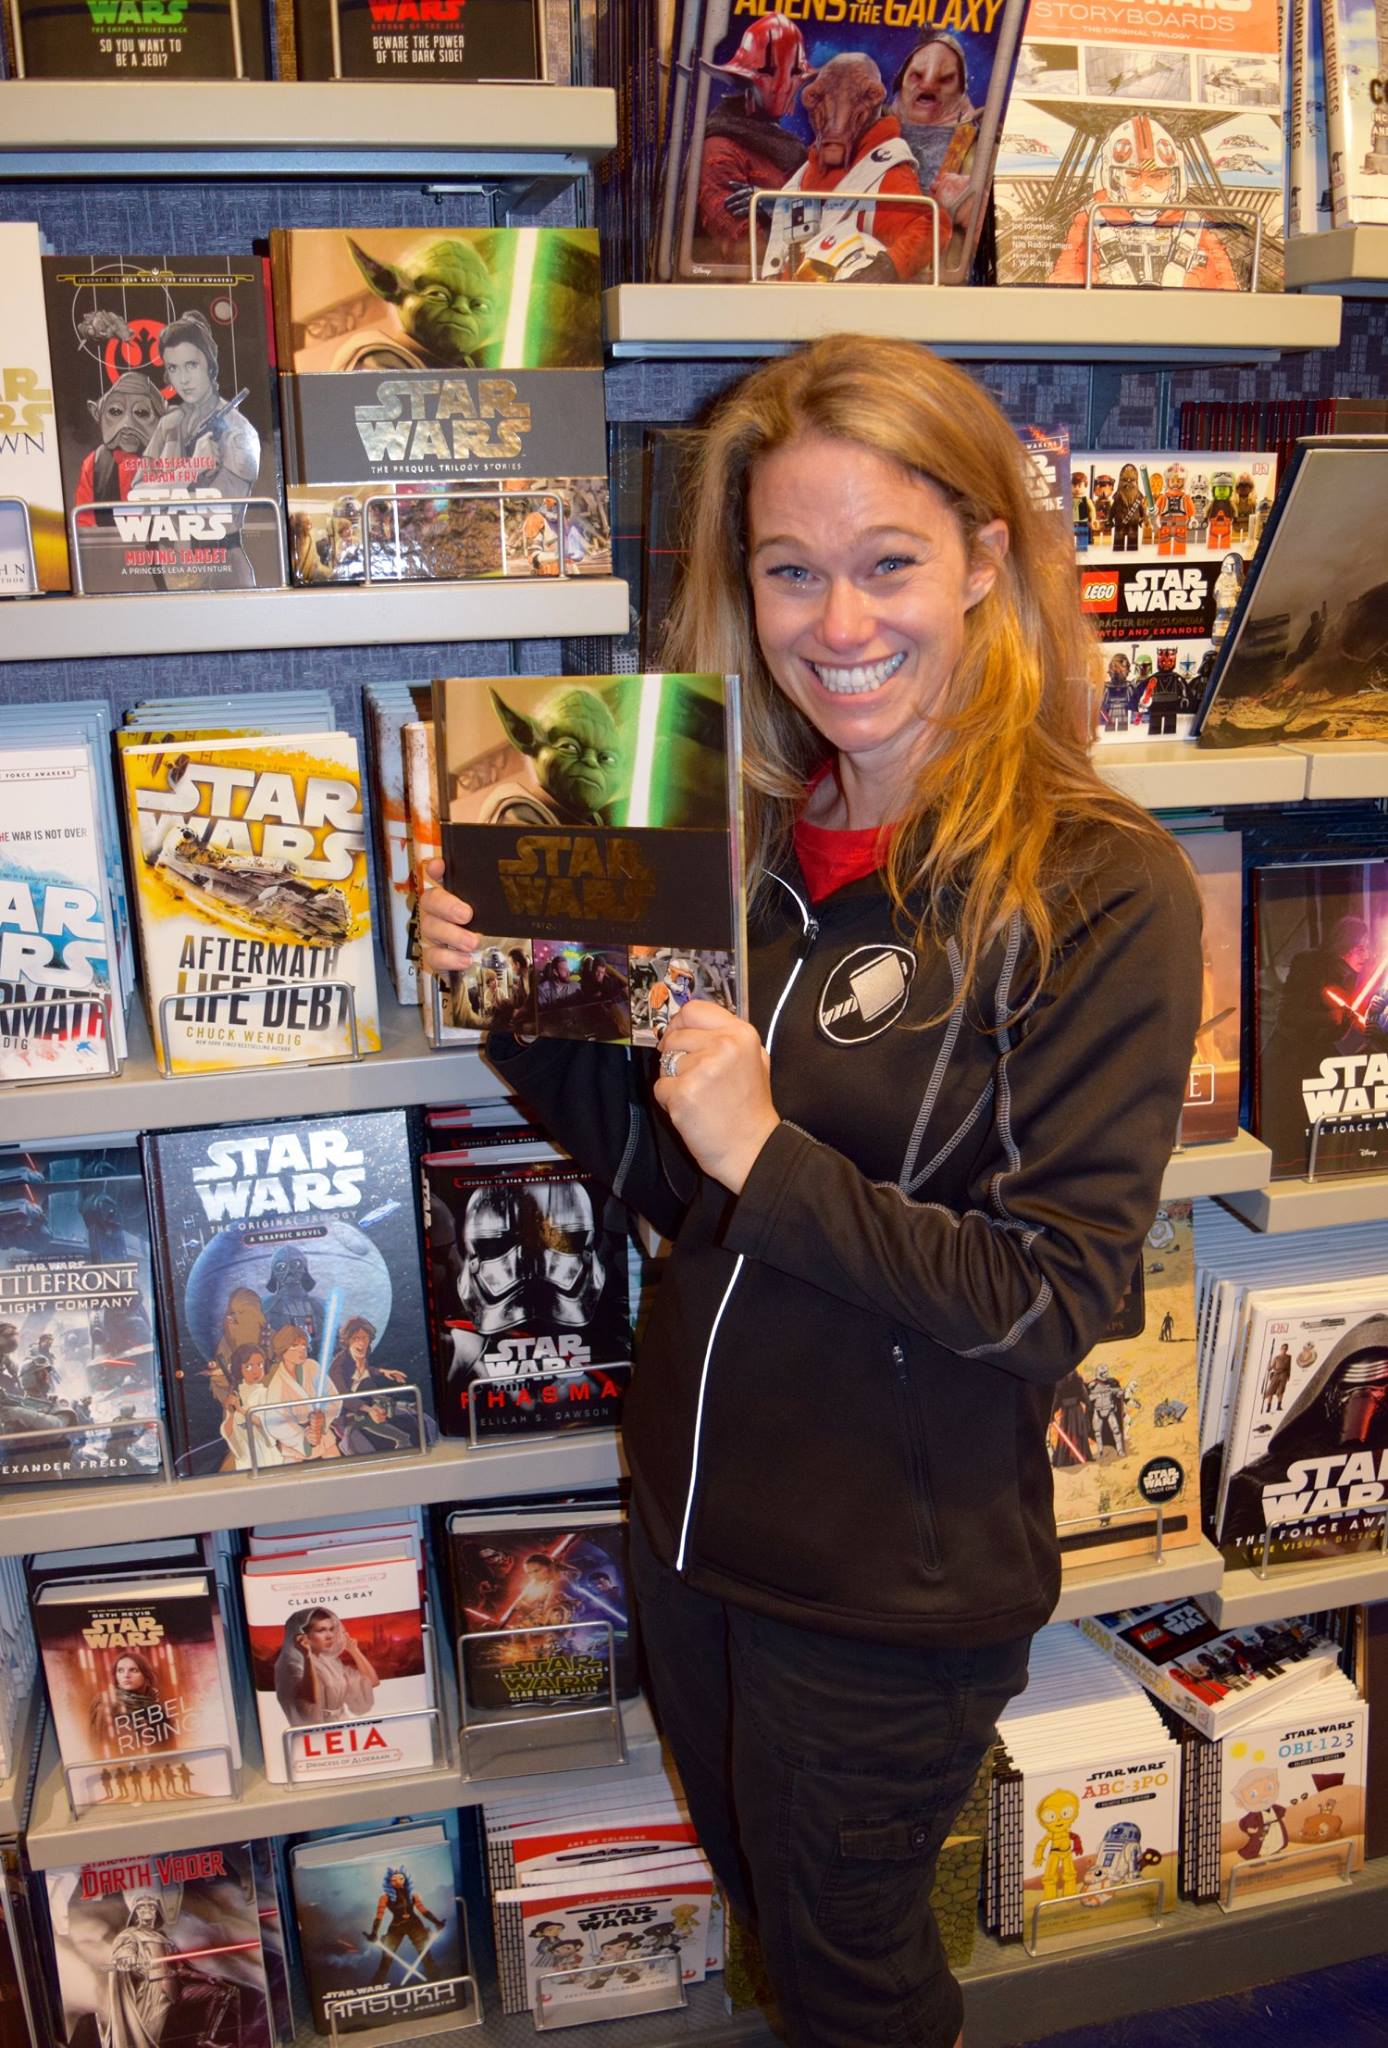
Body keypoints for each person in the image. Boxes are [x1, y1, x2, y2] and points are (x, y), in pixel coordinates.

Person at [421, 334, 1200, 2048]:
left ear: (986, 558)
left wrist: (768, 1152)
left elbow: (1050, 1295)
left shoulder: (1099, 883)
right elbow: (665, 1182)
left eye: (885, 565)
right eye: (789, 571)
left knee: (850, 1984)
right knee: (782, 1927)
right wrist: (516, 993)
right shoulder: (749, 840)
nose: (835, 624)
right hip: (695, 1531)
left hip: (887, 1581)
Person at [274, 1606, 378, 1726]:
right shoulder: (291, 1665)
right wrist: (307, 1657)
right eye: (321, 1630)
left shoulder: (330, 1662)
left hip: (343, 1722)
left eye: (331, 1629)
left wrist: (354, 1651)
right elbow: (311, 1699)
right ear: (302, 1635)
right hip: (316, 1728)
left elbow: (371, 1683)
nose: (330, 1636)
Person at [89, 1648, 176, 1753]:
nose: (126, 1675)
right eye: (120, 1670)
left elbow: (169, 1746)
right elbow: (103, 1747)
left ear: (145, 1675)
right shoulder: (108, 1704)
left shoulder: (158, 1709)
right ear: (115, 1676)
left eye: (133, 1670)